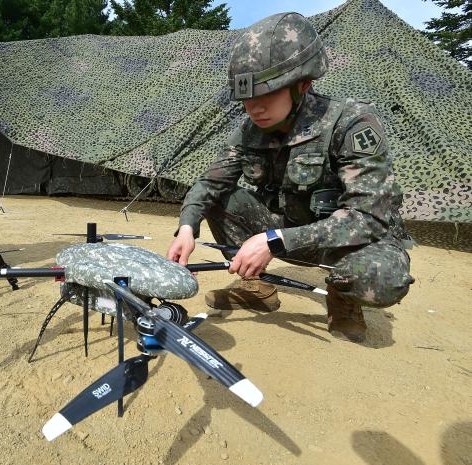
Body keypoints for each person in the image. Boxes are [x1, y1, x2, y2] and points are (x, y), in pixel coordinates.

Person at [167, 12, 414, 343]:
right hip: (290, 228)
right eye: (246, 99)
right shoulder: (249, 130)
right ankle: (255, 287)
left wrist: (275, 241)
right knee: (218, 200)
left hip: (348, 241)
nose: (254, 108)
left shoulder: (351, 123)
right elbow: (211, 182)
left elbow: (367, 217)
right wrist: (187, 227)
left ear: (303, 85)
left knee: (380, 278)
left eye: (265, 95)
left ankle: (344, 298)